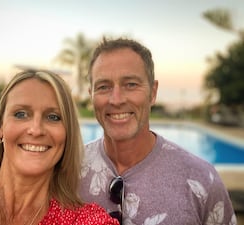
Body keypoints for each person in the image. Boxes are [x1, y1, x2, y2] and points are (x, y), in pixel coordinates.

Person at [79, 37, 236, 225]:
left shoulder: (202, 180)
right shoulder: (68, 173)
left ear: (153, 93)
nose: (116, 99)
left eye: (131, 84)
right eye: (104, 87)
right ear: (92, 96)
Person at [0, 69, 119, 225]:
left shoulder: (86, 220)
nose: (36, 130)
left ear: (68, 134)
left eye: (53, 117)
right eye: (21, 114)